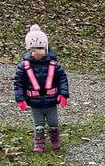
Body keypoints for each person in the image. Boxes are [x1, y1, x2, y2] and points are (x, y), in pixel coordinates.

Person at [14, 25, 70, 153]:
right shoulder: (23, 66)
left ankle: (55, 138)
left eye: (40, 49)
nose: (37, 52)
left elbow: (62, 79)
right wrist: (20, 99)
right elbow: (18, 83)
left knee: (53, 123)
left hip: (51, 101)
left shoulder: (54, 65)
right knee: (38, 125)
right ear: (29, 50)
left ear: (46, 48)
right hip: (35, 102)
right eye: (33, 50)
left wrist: (63, 93)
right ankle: (39, 142)